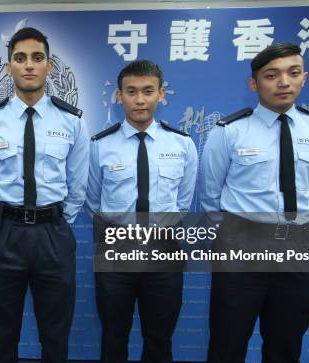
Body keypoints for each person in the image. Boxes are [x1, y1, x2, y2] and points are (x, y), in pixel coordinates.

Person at [199, 43, 309, 362]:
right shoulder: (230, 131)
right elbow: (210, 194)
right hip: (241, 247)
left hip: (297, 249)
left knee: (285, 346)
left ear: (304, 78)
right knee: (227, 343)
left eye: (293, 73)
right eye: (272, 75)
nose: (284, 82)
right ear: (254, 83)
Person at [0, 27, 89, 363]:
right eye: (19, 58)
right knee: (2, 330)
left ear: (49, 66)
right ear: (8, 67)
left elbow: (77, 185)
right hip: (4, 233)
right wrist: (9, 216)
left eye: (37, 58)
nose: (28, 66)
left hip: (53, 234)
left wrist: (53, 220)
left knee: (55, 331)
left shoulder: (72, 122)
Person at [86, 60, 198, 363]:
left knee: (159, 340)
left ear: (161, 94)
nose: (139, 99)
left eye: (148, 91)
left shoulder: (183, 144)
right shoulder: (99, 145)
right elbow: (94, 201)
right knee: (113, 337)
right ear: (119, 96)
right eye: (131, 91)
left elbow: (183, 202)